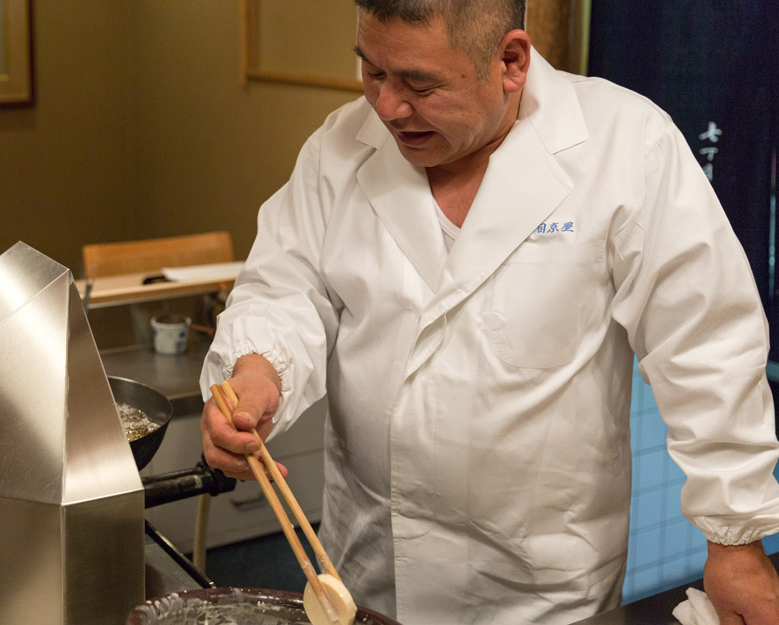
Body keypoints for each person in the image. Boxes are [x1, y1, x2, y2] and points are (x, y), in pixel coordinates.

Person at [198, 1, 779, 623]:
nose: (388, 107)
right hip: (369, 568)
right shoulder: (338, 149)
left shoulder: (625, 145)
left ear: (510, 61)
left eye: (419, 84)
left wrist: (736, 540)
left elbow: (705, 344)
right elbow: (286, 286)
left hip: (543, 589)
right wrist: (257, 374)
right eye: (372, 73)